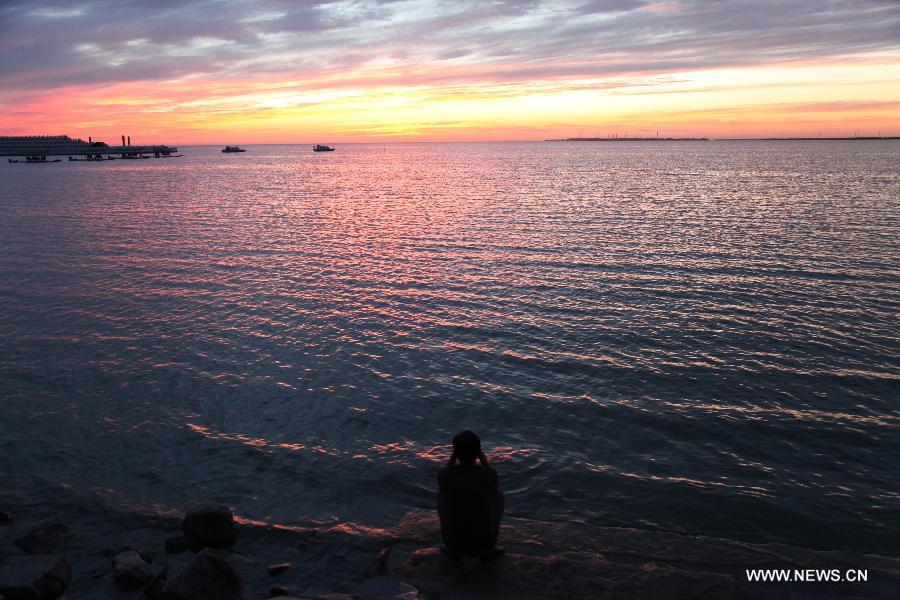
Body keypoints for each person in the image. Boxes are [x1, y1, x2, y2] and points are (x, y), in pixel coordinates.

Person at [437, 430, 505, 561]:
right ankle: (487, 551)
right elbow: (490, 473)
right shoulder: (489, 475)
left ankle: (454, 551)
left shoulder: (445, 475)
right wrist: (483, 459)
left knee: (442, 495)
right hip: (485, 544)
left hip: (452, 544)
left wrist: (454, 456)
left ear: (455, 453)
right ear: (478, 452)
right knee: (498, 496)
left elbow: (445, 472)